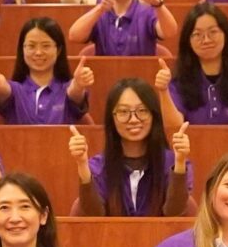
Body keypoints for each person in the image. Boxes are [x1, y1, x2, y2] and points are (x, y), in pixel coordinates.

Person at [75, 79, 190, 217]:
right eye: (123, 112)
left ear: (154, 115)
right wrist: (82, 164)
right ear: (112, 119)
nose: (134, 119)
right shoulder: (97, 166)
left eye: (142, 111)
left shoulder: (172, 162)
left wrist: (180, 163)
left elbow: (174, 213)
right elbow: (94, 217)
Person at [164, 3, 228, 126]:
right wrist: (163, 91)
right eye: (197, 34)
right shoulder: (177, 83)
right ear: (188, 41)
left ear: (226, 35)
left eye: (213, 32)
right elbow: (174, 127)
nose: (206, 40)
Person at [0, 16, 92, 126]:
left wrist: (78, 84)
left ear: (58, 50)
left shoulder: (67, 89)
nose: (38, 52)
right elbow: (3, 89)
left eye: (46, 46)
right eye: (31, 46)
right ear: (22, 49)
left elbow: (74, 93)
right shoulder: (16, 90)